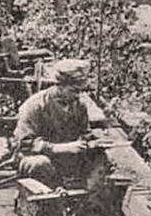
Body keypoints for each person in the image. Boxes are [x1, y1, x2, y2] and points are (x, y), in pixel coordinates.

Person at [13, 59, 105, 189]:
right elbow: (24, 144)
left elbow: (84, 132)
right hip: (38, 157)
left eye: (81, 91)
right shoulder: (35, 105)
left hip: (66, 159)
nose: (78, 95)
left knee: (100, 157)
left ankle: (88, 201)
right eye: (74, 90)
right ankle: (50, 204)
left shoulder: (79, 106)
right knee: (39, 164)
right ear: (60, 86)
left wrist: (92, 140)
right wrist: (60, 148)